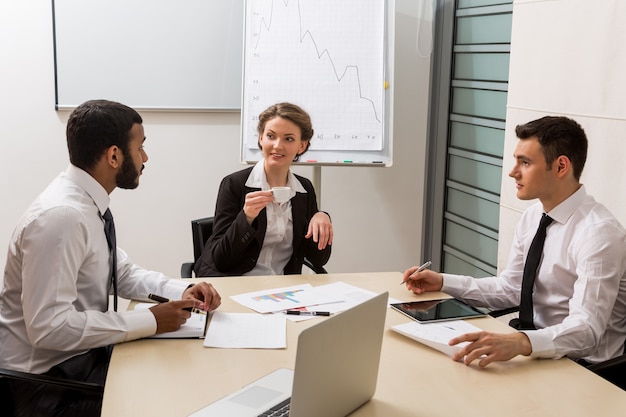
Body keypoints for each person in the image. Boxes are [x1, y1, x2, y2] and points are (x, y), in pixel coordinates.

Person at [0, 99, 221, 416]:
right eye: (140, 147)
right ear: (114, 155)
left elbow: (122, 273)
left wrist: (180, 291)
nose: (145, 158)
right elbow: (48, 328)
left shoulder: (85, 203)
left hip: (78, 361)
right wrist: (152, 320)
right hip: (47, 387)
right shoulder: (62, 217)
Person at [403, 116, 626, 368]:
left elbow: (586, 331)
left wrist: (520, 343)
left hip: (587, 368)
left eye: (525, 162)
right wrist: (444, 282)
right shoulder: (533, 217)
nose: (512, 172)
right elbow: (511, 289)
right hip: (537, 353)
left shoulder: (599, 234)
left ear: (561, 166)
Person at [194, 102, 333, 277]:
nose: (277, 145)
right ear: (261, 138)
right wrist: (246, 218)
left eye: (288, 139)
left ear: (302, 146)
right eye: (270, 136)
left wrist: (322, 218)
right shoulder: (235, 184)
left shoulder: (304, 189)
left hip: (282, 287)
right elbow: (222, 259)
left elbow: (318, 260)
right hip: (235, 281)